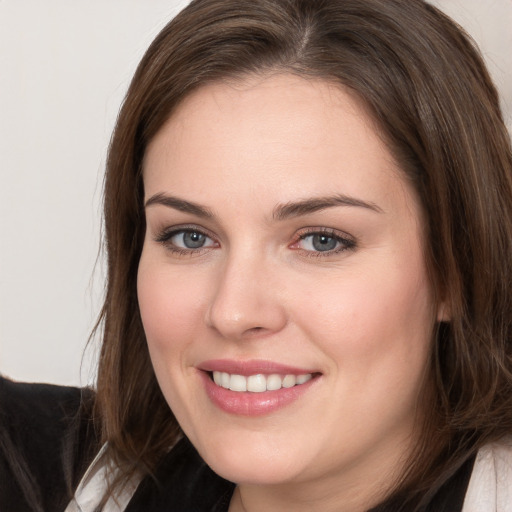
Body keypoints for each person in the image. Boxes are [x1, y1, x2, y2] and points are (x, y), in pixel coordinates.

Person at [1, 0, 512, 510]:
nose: (233, 312)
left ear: (458, 268)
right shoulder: (43, 472)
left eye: (321, 240)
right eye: (190, 237)